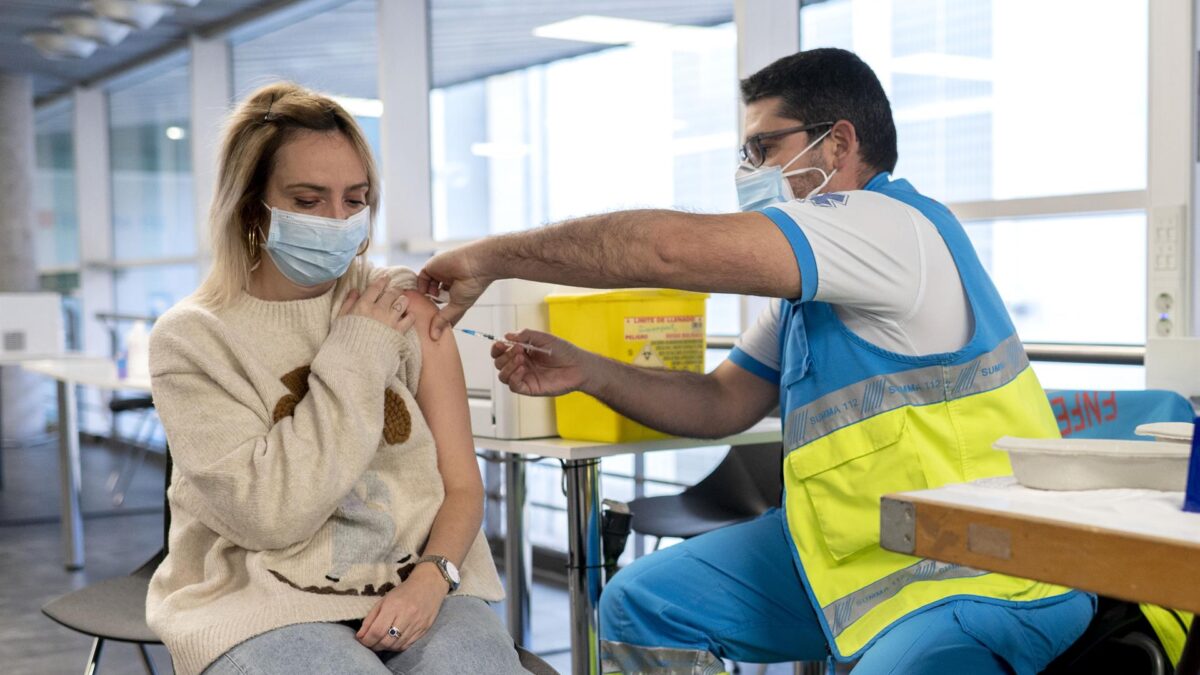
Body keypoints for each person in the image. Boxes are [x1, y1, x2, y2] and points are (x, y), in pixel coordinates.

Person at [418, 48, 1095, 674]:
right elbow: (721, 403)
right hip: (852, 559)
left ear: (840, 142)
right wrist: (590, 371)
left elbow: (666, 250)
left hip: (982, 574)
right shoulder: (812, 294)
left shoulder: (889, 229)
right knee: (641, 603)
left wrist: (490, 258)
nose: (749, 173)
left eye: (763, 148)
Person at [145, 82, 528, 675]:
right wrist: (357, 349)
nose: (338, 220)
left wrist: (434, 578)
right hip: (257, 597)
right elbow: (271, 516)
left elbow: (462, 487)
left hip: (421, 578)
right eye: (308, 200)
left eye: (355, 199)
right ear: (251, 206)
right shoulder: (191, 338)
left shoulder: (405, 305)